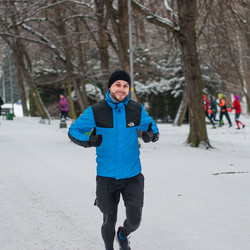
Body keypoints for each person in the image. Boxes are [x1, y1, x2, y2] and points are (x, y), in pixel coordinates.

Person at [68, 70, 159, 250]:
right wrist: (89, 140)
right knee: (109, 220)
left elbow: (151, 127)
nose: (122, 89)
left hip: (132, 175)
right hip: (106, 177)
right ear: (110, 86)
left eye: (125, 86)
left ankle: (123, 234)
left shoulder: (136, 109)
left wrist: (151, 135)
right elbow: (73, 131)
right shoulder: (96, 111)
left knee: (135, 220)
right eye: (118, 85)